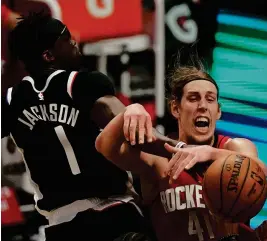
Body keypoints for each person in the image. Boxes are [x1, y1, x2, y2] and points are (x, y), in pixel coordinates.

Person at [2, 11, 179, 241]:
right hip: (116, 214)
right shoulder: (82, 83)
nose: (74, 41)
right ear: (48, 55)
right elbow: (137, 132)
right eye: (66, 39)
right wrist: (182, 148)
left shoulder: (10, 101)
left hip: (62, 227)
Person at [96, 58, 267, 241]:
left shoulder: (235, 146)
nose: (202, 106)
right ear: (175, 108)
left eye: (210, 99)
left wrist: (208, 152)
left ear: (218, 111)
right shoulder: (159, 159)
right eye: (193, 98)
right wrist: (129, 112)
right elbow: (105, 146)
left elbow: (260, 170)